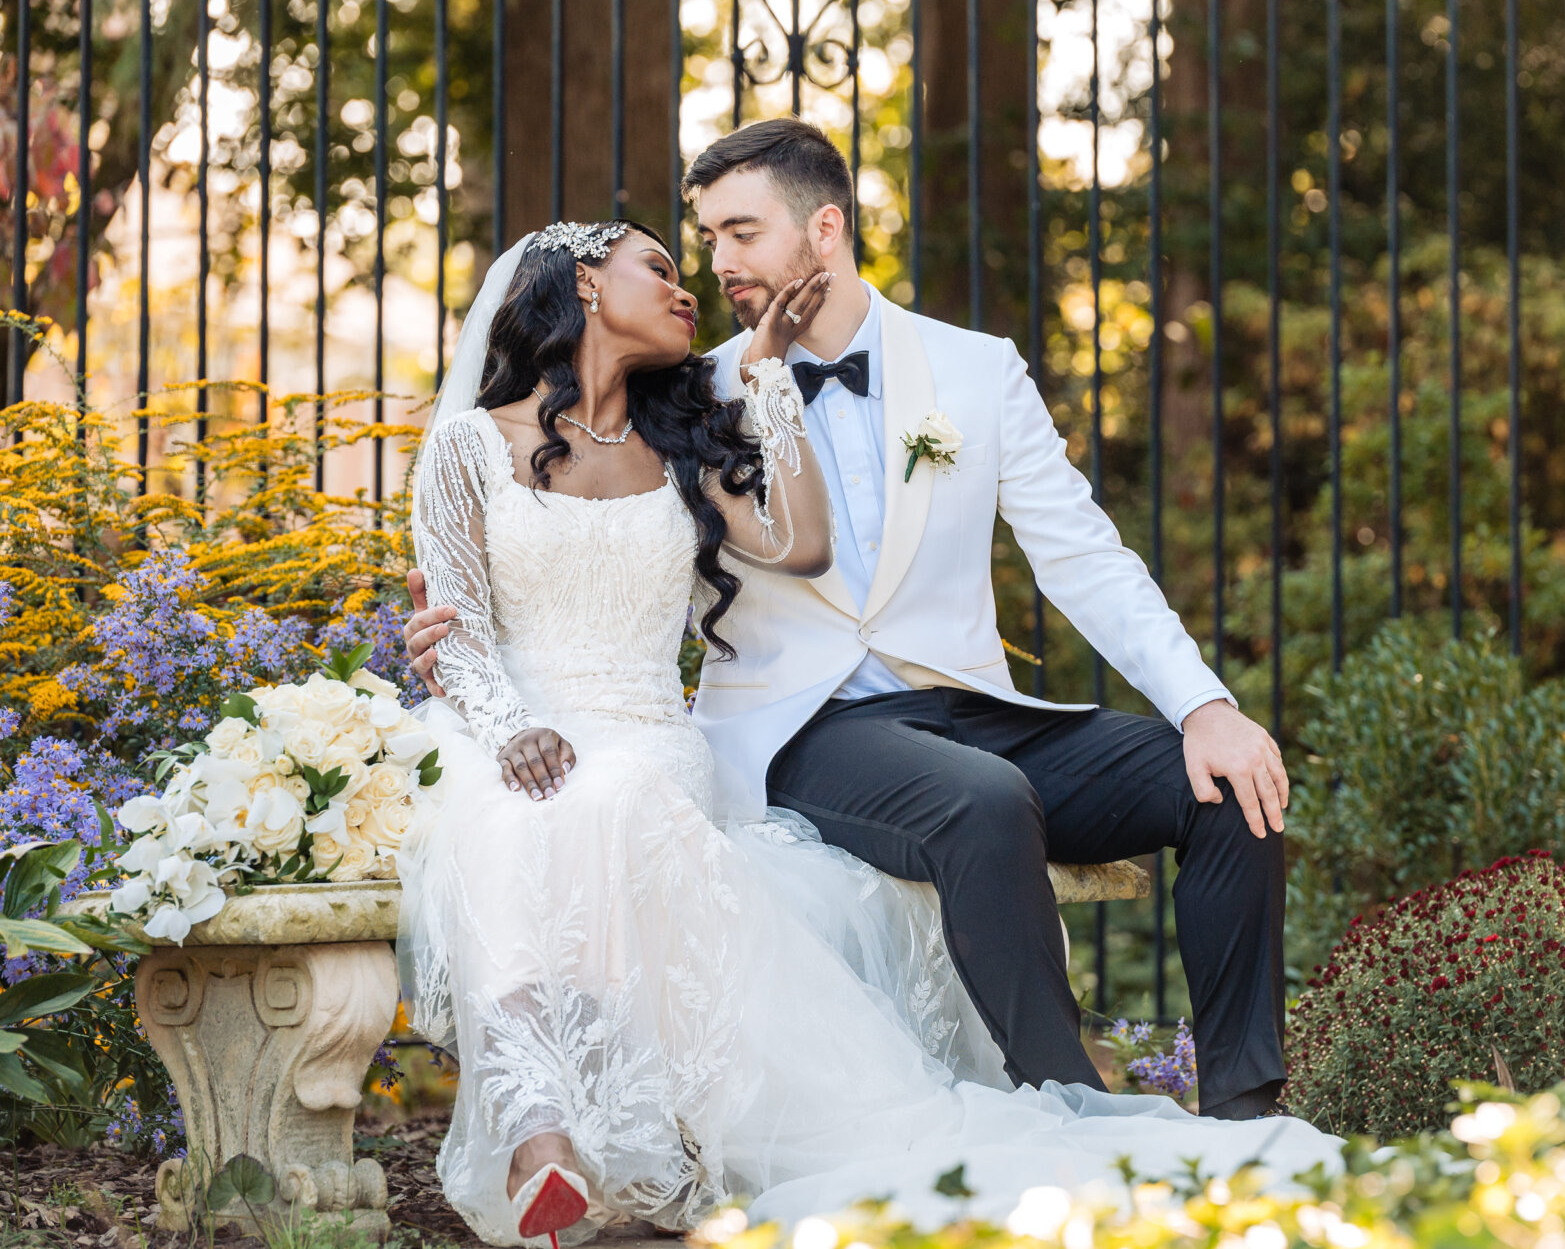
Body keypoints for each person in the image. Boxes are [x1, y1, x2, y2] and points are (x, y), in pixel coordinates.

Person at [400, 214, 1338, 1247]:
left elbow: (804, 545)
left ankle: (1226, 1105)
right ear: (583, 284)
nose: (699, 278)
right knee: (514, 816)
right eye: (671, 260)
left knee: (1210, 779)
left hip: (682, 734)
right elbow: (461, 620)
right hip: (580, 731)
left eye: (728, 236)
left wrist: (766, 379)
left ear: (822, 227)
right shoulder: (470, 443)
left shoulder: (701, 424)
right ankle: (543, 1137)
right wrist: (500, 715)